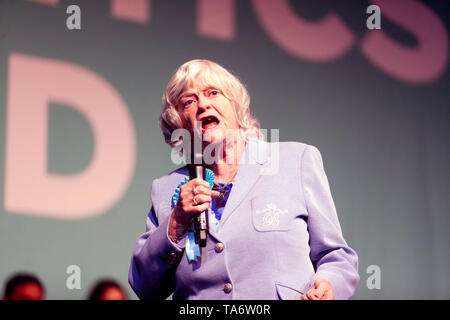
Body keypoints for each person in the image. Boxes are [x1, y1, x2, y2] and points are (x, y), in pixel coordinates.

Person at [128, 59, 359, 300]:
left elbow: (336, 256)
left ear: (235, 105)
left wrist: (329, 285)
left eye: (213, 93)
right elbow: (145, 286)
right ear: (179, 122)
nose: (203, 104)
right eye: (189, 101)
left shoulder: (295, 160)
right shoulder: (166, 190)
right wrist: (177, 221)